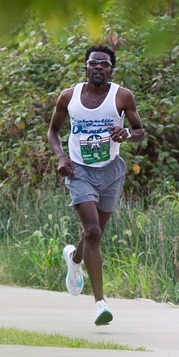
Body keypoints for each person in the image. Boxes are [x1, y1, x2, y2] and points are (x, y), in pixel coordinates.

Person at [48, 45, 145, 325]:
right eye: (94, 63)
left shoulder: (122, 96)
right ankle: (100, 303)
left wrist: (126, 132)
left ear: (111, 70)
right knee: (91, 230)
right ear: (86, 67)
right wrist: (60, 156)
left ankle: (75, 258)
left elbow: (139, 132)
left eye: (104, 64)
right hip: (79, 171)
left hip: (111, 171)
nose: (99, 68)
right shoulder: (69, 97)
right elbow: (53, 131)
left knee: (96, 233)